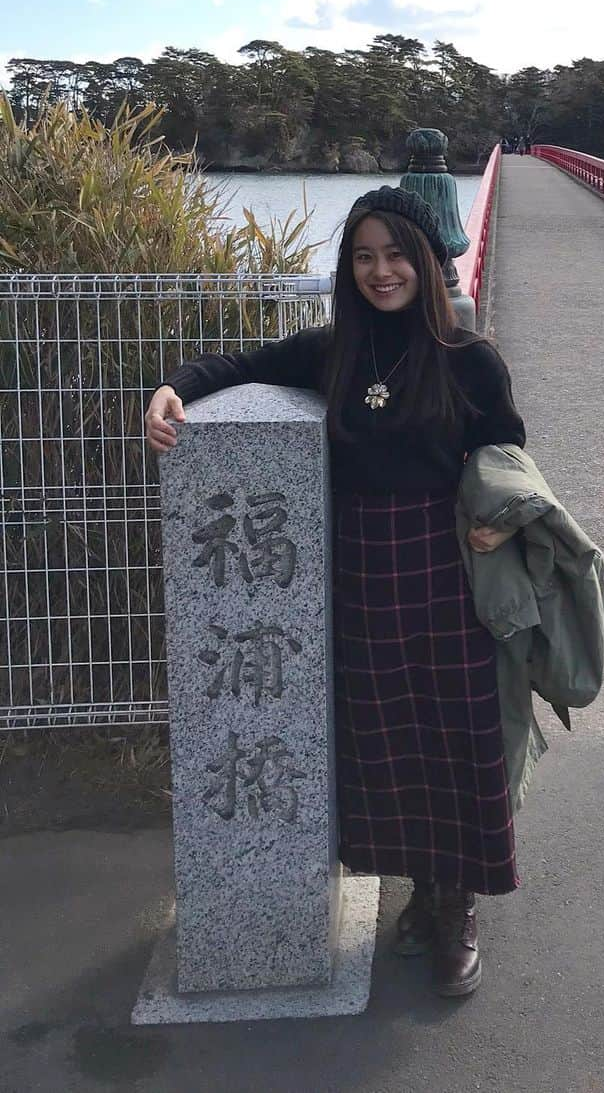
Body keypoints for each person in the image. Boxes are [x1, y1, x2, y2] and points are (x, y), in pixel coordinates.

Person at [144, 185, 527, 999]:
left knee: (451, 736)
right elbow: (241, 365)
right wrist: (173, 387)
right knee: (384, 739)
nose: (379, 271)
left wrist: (499, 524)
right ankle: (421, 892)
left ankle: (457, 904)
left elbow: (508, 454)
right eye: (362, 256)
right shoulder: (335, 351)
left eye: (394, 255)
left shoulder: (469, 358)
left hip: (442, 569)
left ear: (425, 262)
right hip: (357, 573)